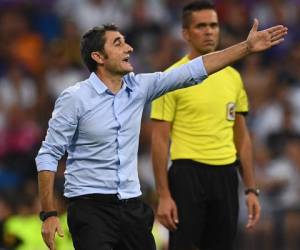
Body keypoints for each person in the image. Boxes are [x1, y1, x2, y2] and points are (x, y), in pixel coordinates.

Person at [35, 20, 287, 250]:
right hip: (91, 209)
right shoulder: (75, 98)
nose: (129, 48)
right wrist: (49, 213)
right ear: (98, 56)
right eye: (118, 43)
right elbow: (48, 154)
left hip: (132, 207)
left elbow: (194, 70)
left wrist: (246, 47)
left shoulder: (138, 87)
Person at [151, 1, 267, 250]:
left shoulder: (233, 77)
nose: (209, 31)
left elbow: (242, 137)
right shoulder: (171, 78)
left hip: (226, 175)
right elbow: (159, 140)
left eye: (213, 25)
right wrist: (163, 195)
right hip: (187, 174)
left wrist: (250, 188)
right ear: (185, 33)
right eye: (201, 26)